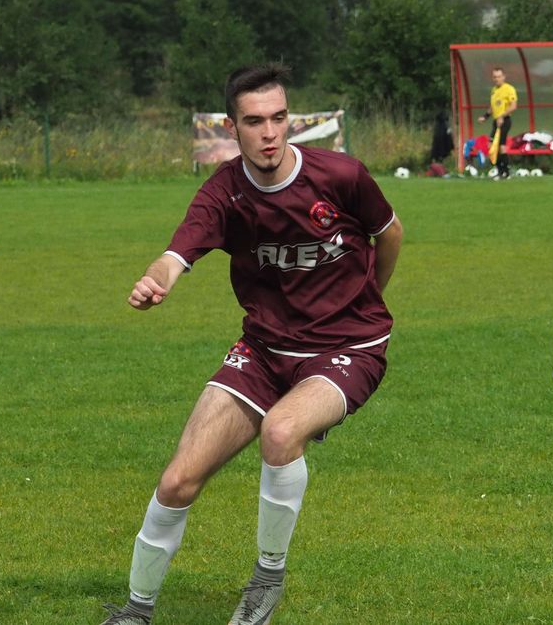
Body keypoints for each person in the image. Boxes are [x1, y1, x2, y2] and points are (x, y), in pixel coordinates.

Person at [101, 63, 403, 625]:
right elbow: (175, 256)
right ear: (231, 127)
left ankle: (266, 580)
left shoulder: (342, 176)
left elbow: (389, 234)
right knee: (177, 480)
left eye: (279, 118)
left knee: (281, 431)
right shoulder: (224, 193)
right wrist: (153, 281)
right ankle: (135, 612)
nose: (270, 133)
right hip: (264, 351)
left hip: (349, 346)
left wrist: (367, 302)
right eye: (255, 121)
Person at [477, 66, 517, 180]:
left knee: (501, 146)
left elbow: (513, 106)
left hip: (505, 120)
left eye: (499, 76)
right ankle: (500, 171)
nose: (497, 79)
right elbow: (492, 107)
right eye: (495, 77)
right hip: (496, 121)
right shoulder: (494, 90)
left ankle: (506, 172)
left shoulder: (509, 89)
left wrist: (502, 116)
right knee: (491, 146)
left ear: (504, 77)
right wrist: (485, 117)